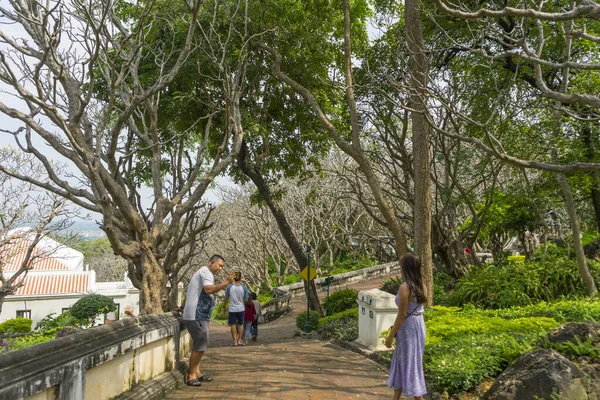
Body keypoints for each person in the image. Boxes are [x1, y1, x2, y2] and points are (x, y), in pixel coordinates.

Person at [178, 254, 234, 387]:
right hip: (196, 315)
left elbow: (189, 292)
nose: (220, 268)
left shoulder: (202, 272)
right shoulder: (206, 272)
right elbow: (208, 290)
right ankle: (191, 374)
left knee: (201, 344)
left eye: (222, 266)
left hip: (199, 315)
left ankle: (197, 372)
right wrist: (227, 282)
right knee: (201, 344)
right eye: (219, 265)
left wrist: (182, 307)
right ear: (211, 263)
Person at [384, 253, 427, 400]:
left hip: (408, 327)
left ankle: (418, 397)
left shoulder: (405, 287)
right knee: (406, 361)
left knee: (409, 363)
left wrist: (390, 336)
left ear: (405, 268)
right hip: (418, 325)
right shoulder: (422, 285)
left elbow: (402, 314)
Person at [223, 271, 249, 346]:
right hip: (241, 308)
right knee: (241, 324)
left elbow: (226, 298)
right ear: (240, 278)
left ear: (233, 278)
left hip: (232, 309)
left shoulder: (229, 287)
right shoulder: (244, 288)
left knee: (233, 324)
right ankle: (240, 340)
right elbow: (246, 300)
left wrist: (224, 306)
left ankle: (234, 341)